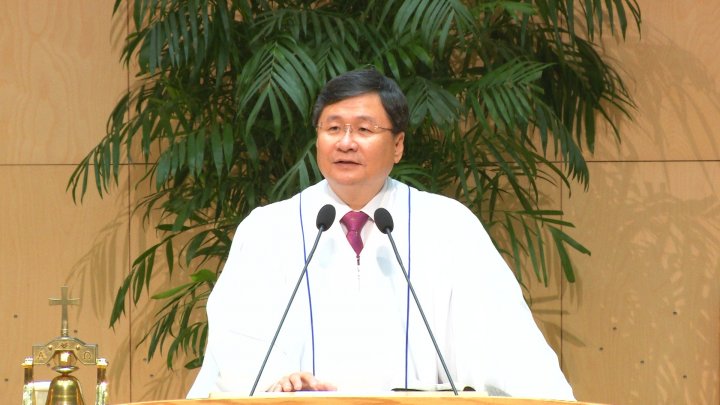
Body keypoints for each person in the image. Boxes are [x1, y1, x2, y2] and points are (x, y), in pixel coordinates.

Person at [186, 68, 575, 400]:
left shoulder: (448, 227)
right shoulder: (268, 230)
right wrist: (276, 380)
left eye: (364, 129)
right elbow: (238, 340)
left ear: (398, 145)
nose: (346, 142)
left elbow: (503, 340)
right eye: (333, 128)